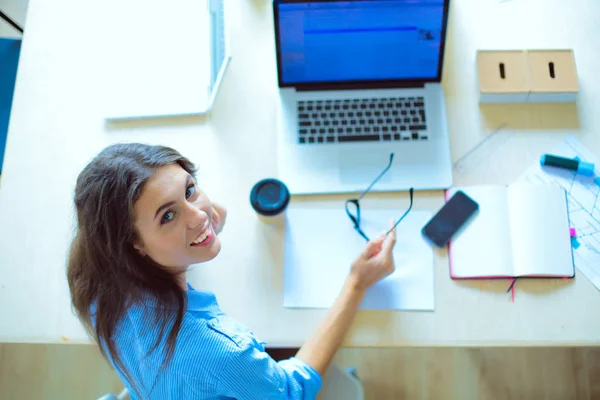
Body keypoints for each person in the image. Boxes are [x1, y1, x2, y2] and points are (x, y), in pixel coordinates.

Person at [67, 143, 397, 400]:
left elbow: (191, 218)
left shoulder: (94, 278)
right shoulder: (221, 347)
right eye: (167, 216)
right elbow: (291, 392)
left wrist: (197, 219)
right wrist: (356, 284)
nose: (198, 216)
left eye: (189, 189)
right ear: (133, 245)